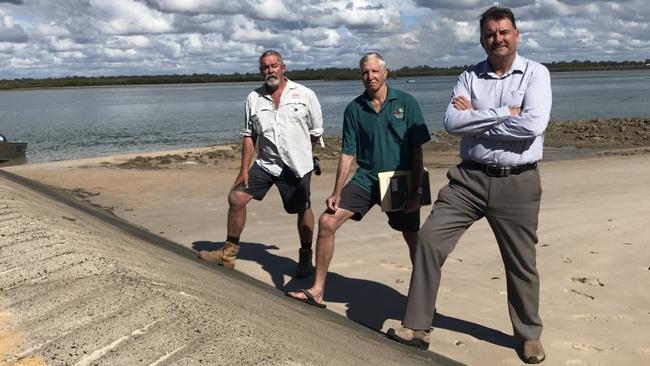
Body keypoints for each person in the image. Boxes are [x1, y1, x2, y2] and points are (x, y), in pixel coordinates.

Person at [387, 6, 552, 364]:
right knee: (430, 239)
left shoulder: (536, 74)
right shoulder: (469, 76)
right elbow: (451, 122)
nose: (498, 39)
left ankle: (529, 335)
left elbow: (533, 125)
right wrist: (505, 113)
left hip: (518, 182)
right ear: (482, 40)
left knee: (521, 261)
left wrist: (475, 118)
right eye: (491, 33)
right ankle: (417, 326)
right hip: (468, 180)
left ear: (516, 35)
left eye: (504, 32)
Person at [286, 52, 431, 309]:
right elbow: (347, 153)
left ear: (386, 73)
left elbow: (417, 150)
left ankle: (422, 297)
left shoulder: (406, 103)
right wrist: (336, 191)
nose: (370, 76)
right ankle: (318, 289)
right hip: (365, 179)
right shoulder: (354, 108)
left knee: (412, 236)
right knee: (327, 221)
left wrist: (416, 190)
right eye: (365, 72)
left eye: (375, 71)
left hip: (399, 180)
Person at [198, 50, 324, 278]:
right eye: (265, 67)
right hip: (265, 164)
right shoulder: (253, 98)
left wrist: (304, 156)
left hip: (296, 166)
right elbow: (249, 136)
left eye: (274, 66)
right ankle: (229, 254)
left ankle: (306, 257)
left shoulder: (305, 94)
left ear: (283, 67)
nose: (270, 70)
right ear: (261, 70)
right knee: (236, 198)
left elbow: (316, 132)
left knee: (302, 208)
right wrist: (243, 169)